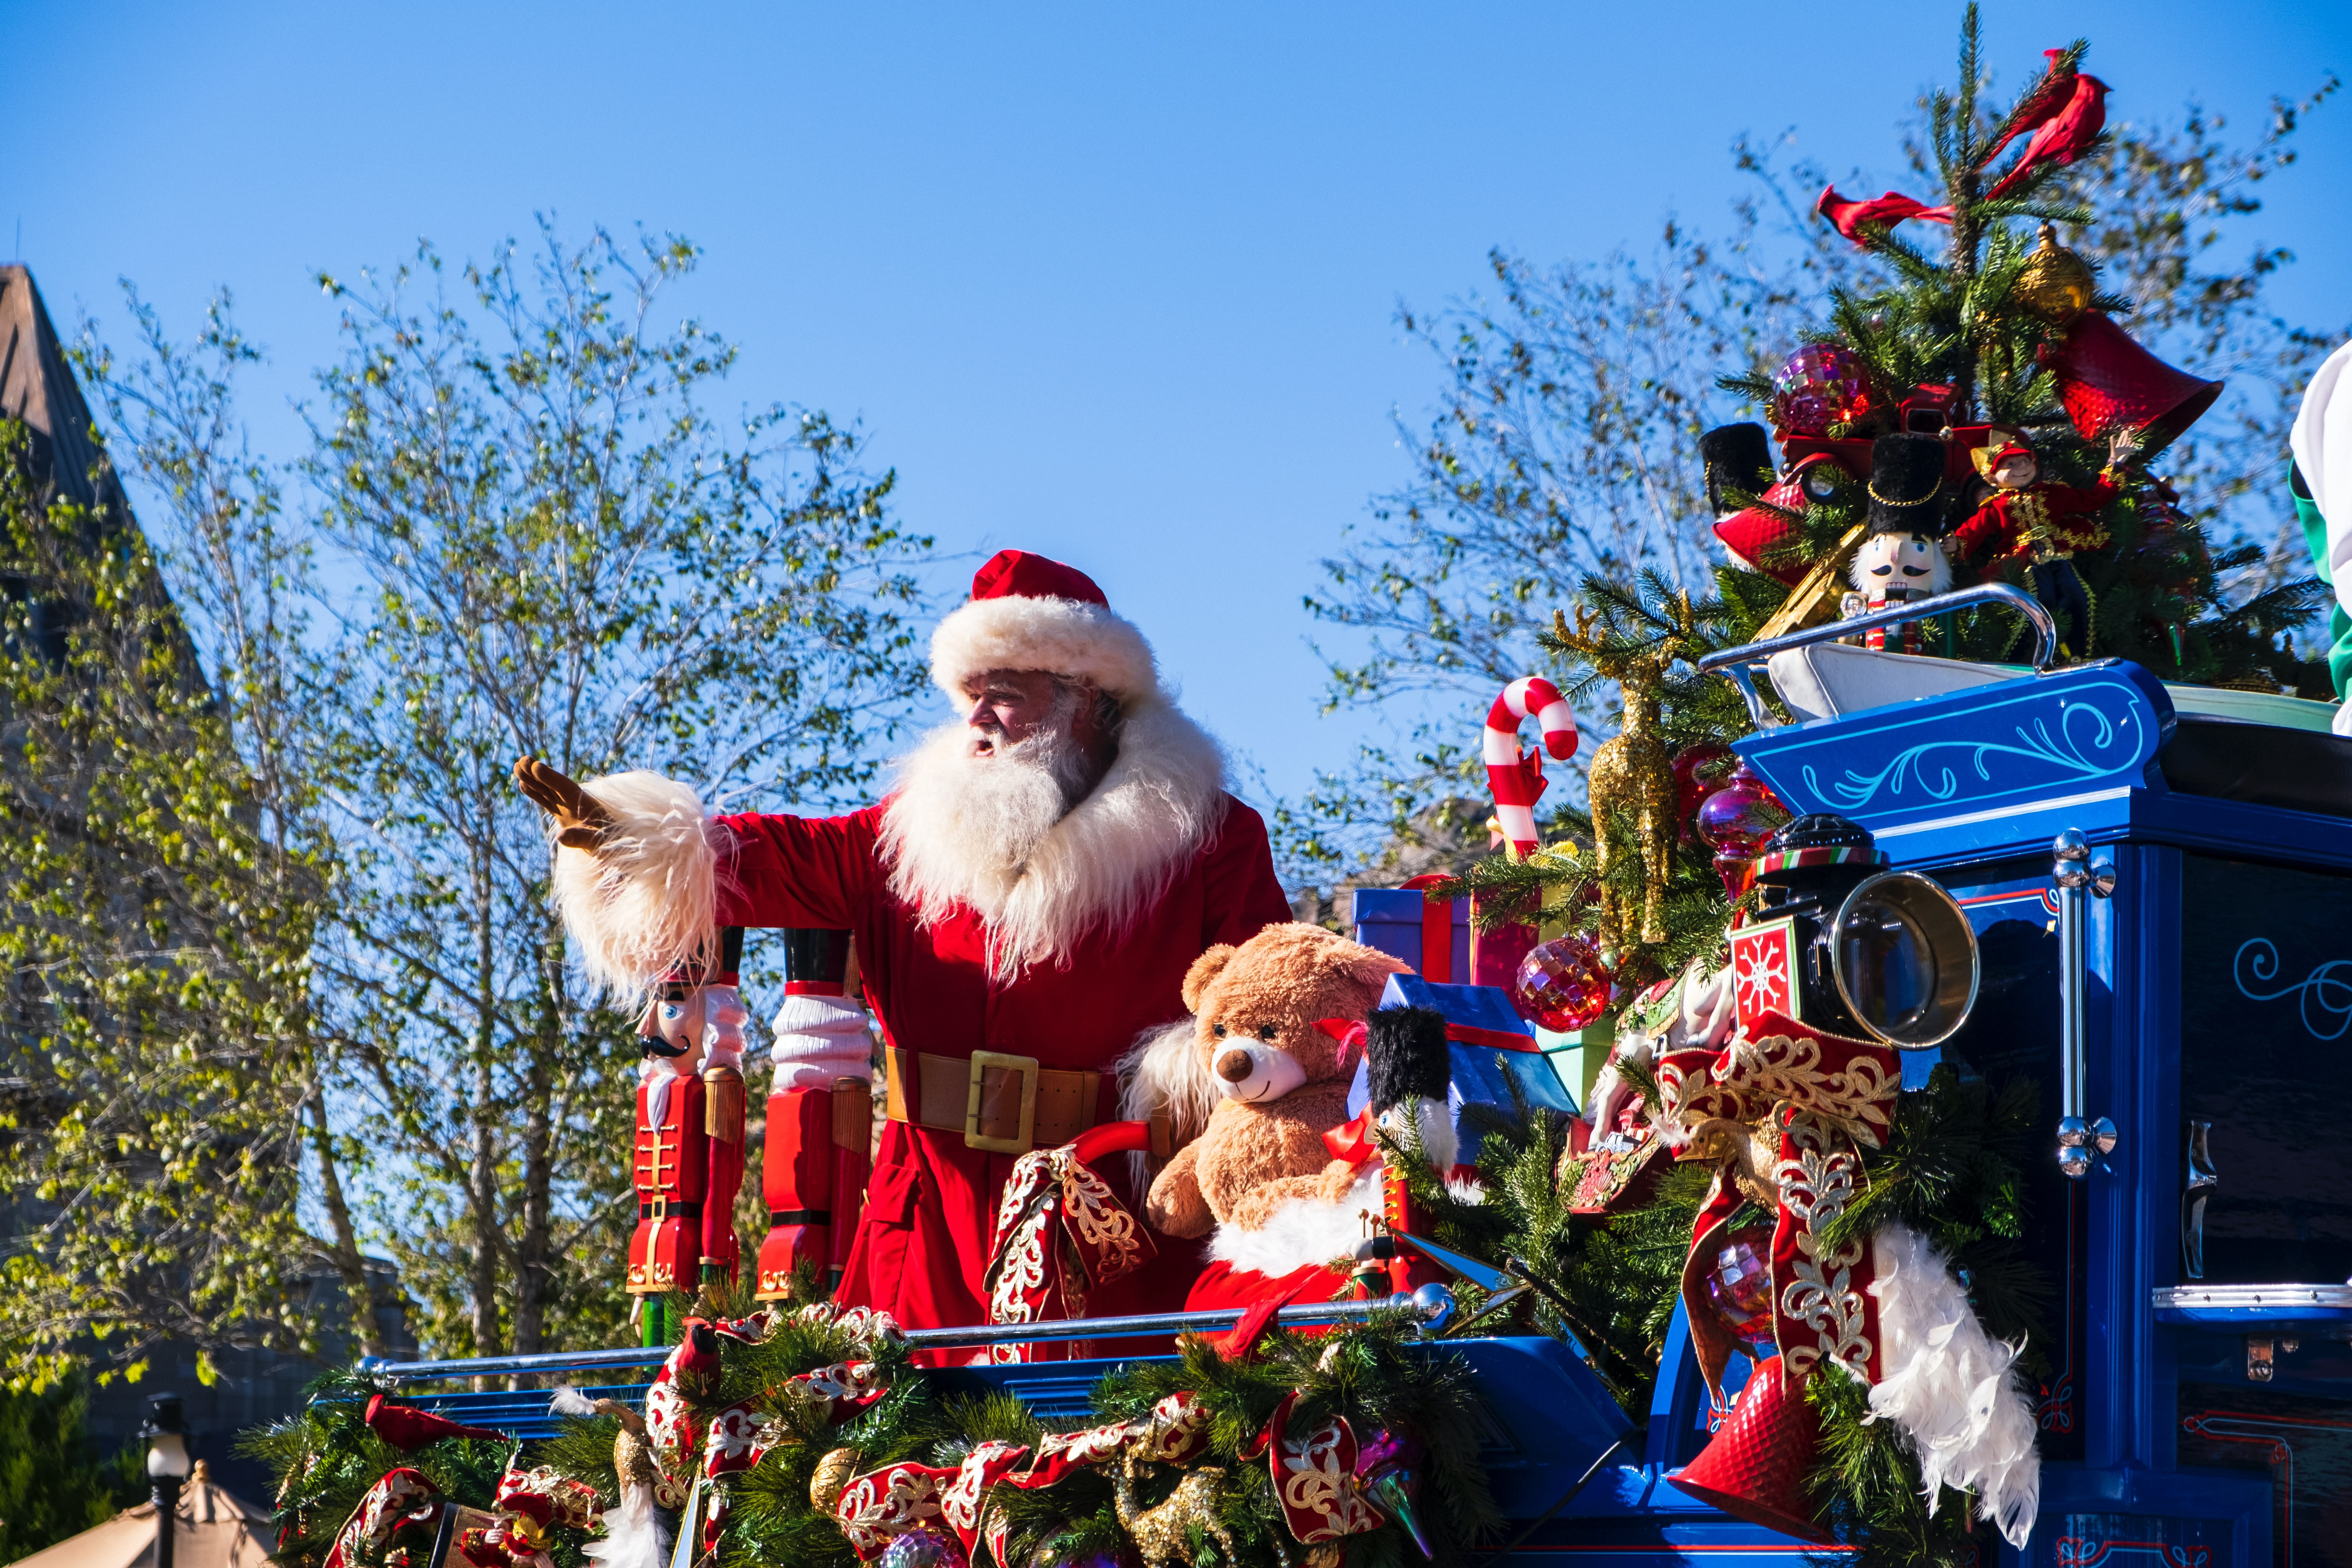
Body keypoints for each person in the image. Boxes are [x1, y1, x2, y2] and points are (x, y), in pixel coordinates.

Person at [515, 549, 1292, 1334]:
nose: (979, 719)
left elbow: (1274, 1016)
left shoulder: (1211, 840)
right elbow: (766, 858)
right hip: (925, 1232)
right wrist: (632, 837)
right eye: (972, 696)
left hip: (1120, 1230)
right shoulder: (903, 836)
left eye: (1006, 695)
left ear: (1084, 696)